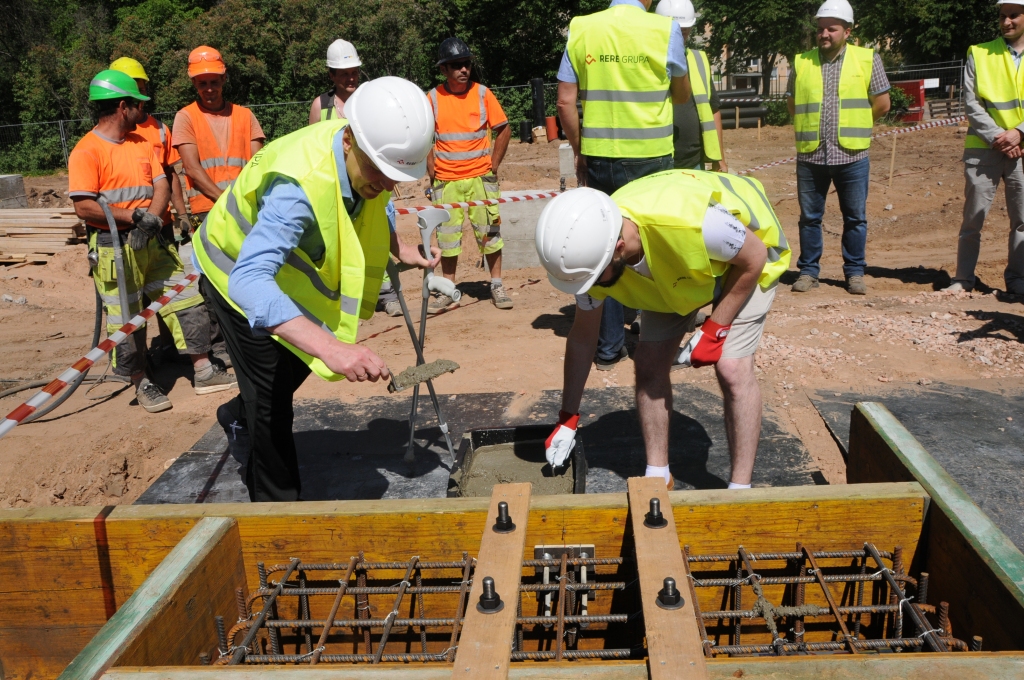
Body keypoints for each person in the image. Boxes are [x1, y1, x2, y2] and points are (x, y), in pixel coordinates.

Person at [192, 77, 440, 502]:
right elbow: (250, 281)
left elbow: (373, 206)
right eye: (380, 172)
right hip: (234, 272)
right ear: (348, 141)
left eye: (394, 177)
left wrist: (403, 250)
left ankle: (237, 414)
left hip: (279, 279)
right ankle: (277, 512)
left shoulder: (366, 153)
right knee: (270, 399)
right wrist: (333, 348)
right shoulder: (298, 188)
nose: (385, 184)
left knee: (298, 356)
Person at [536, 170, 791, 490]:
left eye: (594, 278)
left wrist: (715, 329)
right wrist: (568, 417)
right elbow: (584, 337)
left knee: (732, 368)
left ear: (618, 247)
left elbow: (753, 257)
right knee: (648, 362)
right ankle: (658, 477)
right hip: (678, 270)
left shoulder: (692, 224)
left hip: (747, 253)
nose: (589, 287)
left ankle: (740, 491)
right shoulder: (589, 256)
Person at [68, 71, 235, 413]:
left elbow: (161, 183)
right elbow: (84, 206)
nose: (143, 111)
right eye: (137, 105)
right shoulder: (87, 151)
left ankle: (202, 369)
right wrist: (133, 219)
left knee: (185, 300)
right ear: (122, 106)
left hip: (154, 239)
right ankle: (140, 381)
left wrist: (152, 220)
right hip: (114, 247)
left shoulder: (140, 143)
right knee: (126, 318)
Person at [556, 0, 692, 370]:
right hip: (652, 158)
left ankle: (607, 348)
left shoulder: (582, 27)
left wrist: (580, 151)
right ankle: (656, 343)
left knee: (605, 247)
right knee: (656, 244)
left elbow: (565, 101)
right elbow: (681, 95)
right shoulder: (665, 30)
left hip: (601, 158)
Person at [787, 0, 890, 296]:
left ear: (847, 31)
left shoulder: (867, 58)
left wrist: (854, 122)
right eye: (820, 29)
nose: (824, 34)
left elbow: (882, 104)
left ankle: (855, 272)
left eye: (831, 29)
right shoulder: (802, 61)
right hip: (811, 153)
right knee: (809, 218)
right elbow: (793, 105)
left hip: (852, 154)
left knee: (855, 217)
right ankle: (808, 271)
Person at [174, 46, 266, 366]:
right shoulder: (186, 118)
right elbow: (192, 169)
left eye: (214, 81)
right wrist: (226, 200)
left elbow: (258, 164)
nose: (209, 89)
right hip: (208, 212)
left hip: (245, 211)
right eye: (202, 83)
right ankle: (223, 346)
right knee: (213, 283)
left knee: (250, 275)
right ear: (194, 84)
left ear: (223, 78)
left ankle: (254, 337)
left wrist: (241, 204)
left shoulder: (245, 116)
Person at [425, 37, 513, 312]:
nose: (463, 69)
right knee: (447, 239)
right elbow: (423, 138)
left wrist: (493, 165)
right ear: (444, 70)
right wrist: (432, 173)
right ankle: (448, 289)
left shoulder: (483, 93)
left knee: (491, 234)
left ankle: (496, 285)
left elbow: (504, 128)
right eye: (456, 65)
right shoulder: (432, 98)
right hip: (447, 182)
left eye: (466, 64)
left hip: (480, 180)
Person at [945, 0, 1024, 294]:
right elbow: (971, 103)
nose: (1007, 22)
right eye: (1003, 16)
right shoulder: (979, 53)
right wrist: (1000, 137)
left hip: (1021, 148)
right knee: (972, 219)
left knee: (1022, 221)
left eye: (1014, 15)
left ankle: (1018, 281)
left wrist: (1019, 133)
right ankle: (963, 279)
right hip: (984, 147)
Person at [656, 0, 727, 173]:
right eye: (674, 32)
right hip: (657, 160)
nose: (679, 38)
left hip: (693, 161)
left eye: (684, 32)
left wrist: (720, 158)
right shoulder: (650, 60)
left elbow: (713, 110)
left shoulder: (699, 60)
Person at [308, 39, 361, 124]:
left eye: (354, 72)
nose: (351, 78)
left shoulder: (367, 101)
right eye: (345, 74)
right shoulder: (320, 105)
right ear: (332, 75)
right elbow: (312, 137)